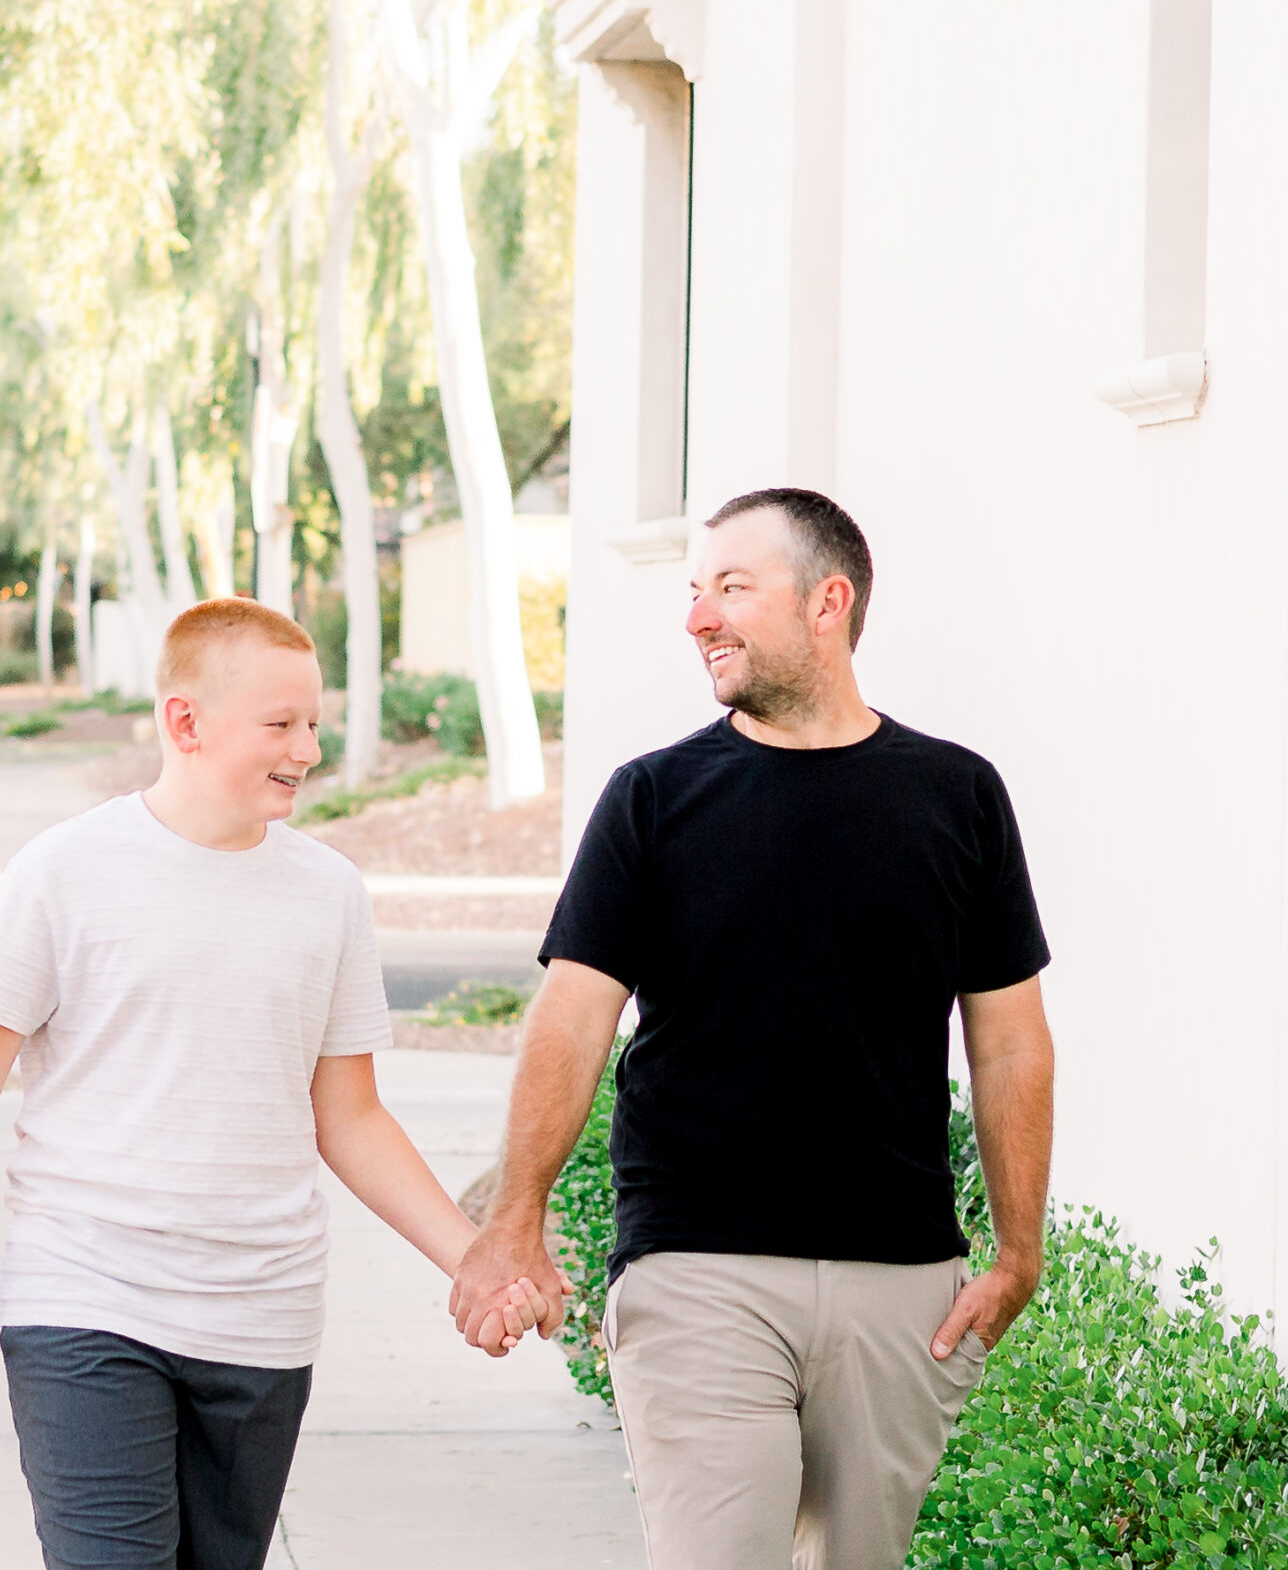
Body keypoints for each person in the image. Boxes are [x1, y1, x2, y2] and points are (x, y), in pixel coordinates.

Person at [0, 598, 544, 1570]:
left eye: (313, 723)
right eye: (279, 725)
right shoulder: (64, 872)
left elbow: (352, 1116)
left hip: (262, 1314)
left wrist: (471, 1259)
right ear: (185, 722)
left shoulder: (326, 893)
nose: (307, 749)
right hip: (84, 1298)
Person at [450, 488, 1056, 1570]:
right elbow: (573, 1019)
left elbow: (1008, 1039)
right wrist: (515, 1212)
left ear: (830, 601)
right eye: (693, 592)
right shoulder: (652, 799)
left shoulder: (957, 796)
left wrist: (1017, 1254)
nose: (697, 619)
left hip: (898, 1279)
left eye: (731, 588)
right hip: (696, 1267)